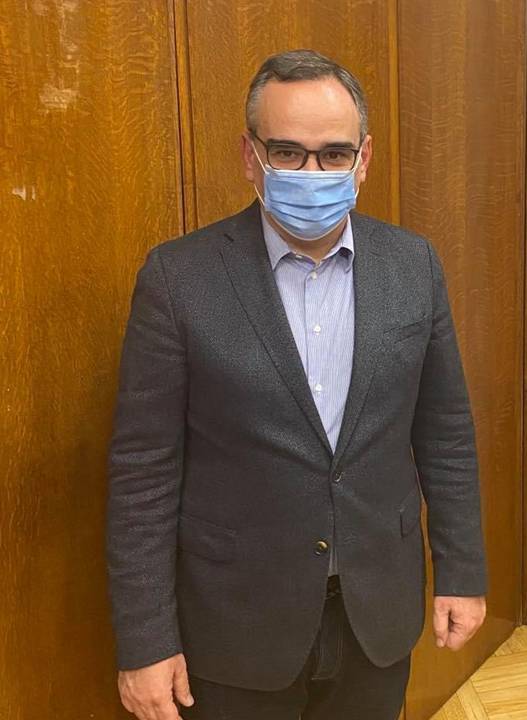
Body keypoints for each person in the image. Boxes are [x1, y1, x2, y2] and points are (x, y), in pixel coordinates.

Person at [107, 49, 487, 720]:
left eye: (334, 154)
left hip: (376, 612)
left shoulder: (413, 265)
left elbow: (445, 434)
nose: (312, 173)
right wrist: (145, 641)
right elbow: (143, 472)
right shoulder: (178, 279)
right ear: (250, 157)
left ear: (363, 159)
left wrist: (461, 571)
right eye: (287, 152)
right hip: (236, 625)